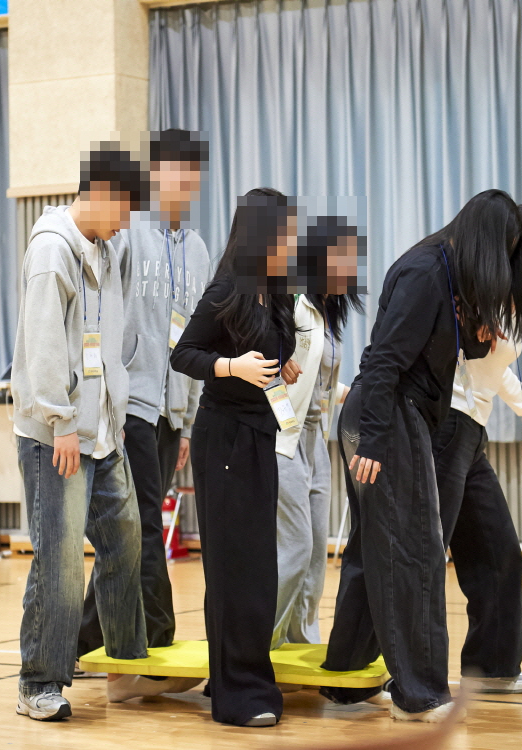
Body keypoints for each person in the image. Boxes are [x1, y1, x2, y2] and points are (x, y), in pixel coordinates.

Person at [320, 189, 522, 723]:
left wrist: (478, 333)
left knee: (399, 552)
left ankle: (352, 677)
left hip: (407, 416)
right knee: (413, 555)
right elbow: (383, 361)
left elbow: (448, 351)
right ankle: (417, 695)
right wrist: (375, 440)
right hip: (386, 415)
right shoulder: (426, 271)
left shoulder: (448, 274)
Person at [10, 143, 151, 721]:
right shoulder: (52, 251)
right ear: (101, 194)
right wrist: (62, 421)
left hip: (103, 432)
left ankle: (124, 662)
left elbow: (106, 345)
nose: (126, 223)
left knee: (126, 539)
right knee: (61, 560)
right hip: (57, 436)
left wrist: (112, 416)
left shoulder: (108, 252)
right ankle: (38, 681)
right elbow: (44, 345)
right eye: (124, 209)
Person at [76, 130, 211, 703]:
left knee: (128, 533)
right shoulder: (129, 234)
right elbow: (104, 312)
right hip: (130, 404)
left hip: (170, 411)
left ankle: (80, 642)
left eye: (193, 174)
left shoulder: (200, 251)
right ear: (156, 175)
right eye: (175, 171)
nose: (184, 183)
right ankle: (156, 644)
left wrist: (187, 417)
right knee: (145, 527)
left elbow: (196, 338)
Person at [169, 188, 300, 727]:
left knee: (258, 570)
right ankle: (236, 693)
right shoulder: (227, 288)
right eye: (284, 232)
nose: (291, 242)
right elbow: (184, 354)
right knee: (232, 569)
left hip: (259, 436)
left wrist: (281, 365)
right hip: (222, 439)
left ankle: (246, 678)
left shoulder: (276, 291)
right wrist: (231, 367)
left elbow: (271, 350)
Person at [432, 203, 522, 695]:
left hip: (472, 434)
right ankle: (399, 670)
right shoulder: (473, 287)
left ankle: (492, 668)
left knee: (499, 550)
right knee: (425, 555)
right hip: (445, 425)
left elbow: (496, 370)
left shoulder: (507, 299)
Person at [273, 216, 364, 651]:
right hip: (285, 437)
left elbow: (321, 381)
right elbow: (270, 361)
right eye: (341, 257)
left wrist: (354, 393)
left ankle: (302, 640)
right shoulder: (294, 303)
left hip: (318, 440)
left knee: (315, 553)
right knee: (296, 546)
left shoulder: (329, 313)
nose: (349, 267)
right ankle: (259, 645)